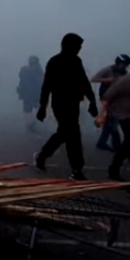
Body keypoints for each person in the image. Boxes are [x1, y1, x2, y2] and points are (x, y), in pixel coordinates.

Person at [33, 33, 98, 181]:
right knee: (73, 134)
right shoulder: (54, 62)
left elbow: (83, 81)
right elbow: (47, 85)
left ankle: (42, 156)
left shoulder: (76, 61)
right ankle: (77, 169)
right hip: (60, 103)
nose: (79, 49)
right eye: (77, 46)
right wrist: (43, 106)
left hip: (73, 102)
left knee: (64, 133)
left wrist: (92, 100)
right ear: (68, 45)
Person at [90, 54, 130, 151]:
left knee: (110, 122)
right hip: (106, 98)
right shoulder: (108, 70)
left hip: (117, 101)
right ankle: (117, 146)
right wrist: (109, 80)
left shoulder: (125, 73)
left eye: (126, 65)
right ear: (117, 63)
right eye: (122, 64)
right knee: (112, 123)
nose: (124, 66)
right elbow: (93, 79)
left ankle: (102, 143)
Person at [96, 73, 130, 181]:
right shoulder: (123, 82)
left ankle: (114, 169)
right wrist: (103, 115)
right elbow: (107, 97)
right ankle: (114, 170)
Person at [17, 55, 44, 132]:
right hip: (27, 94)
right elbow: (22, 81)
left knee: (36, 108)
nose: (32, 64)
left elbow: (41, 82)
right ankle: (30, 124)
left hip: (36, 94)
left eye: (33, 62)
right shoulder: (25, 70)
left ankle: (33, 123)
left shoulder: (39, 72)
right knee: (27, 110)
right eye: (31, 62)